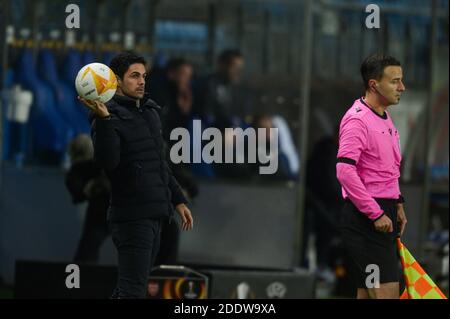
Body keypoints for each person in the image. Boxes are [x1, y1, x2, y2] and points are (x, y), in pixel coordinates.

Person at [78, 51, 194, 299]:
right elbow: (108, 162)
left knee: (132, 289)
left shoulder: (150, 111)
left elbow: (159, 164)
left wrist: (178, 200)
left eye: (143, 76)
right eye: (134, 76)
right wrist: (105, 120)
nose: (142, 81)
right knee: (132, 289)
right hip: (131, 216)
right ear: (117, 81)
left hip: (156, 214)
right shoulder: (107, 117)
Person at [336, 53, 407, 299]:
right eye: (395, 81)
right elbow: (344, 171)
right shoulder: (357, 120)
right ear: (374, 84)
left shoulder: (385, 116)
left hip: (382, 213)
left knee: (367, 295)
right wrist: (375, 213)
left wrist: (397, 202)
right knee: (386, 293)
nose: (402, 87)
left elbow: (387, 167)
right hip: (366, 220)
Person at [65, 134, 111, 263]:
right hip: (104, 211)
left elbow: (79, 192)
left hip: (109, 210)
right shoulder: (83, 170)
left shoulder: (83, 169)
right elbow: (79, 191)